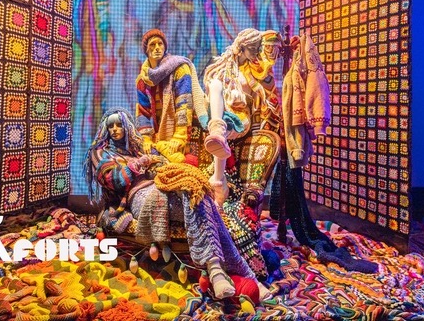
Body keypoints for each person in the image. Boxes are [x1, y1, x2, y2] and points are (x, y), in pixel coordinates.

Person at [84, 108, 261, 299]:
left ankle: (217, 270)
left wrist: (157, 163)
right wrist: (137, 164)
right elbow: (112, 180)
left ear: (127, 127)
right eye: (110, 126)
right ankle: (237, 273)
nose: (115, 129)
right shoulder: (100, 153)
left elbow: (160, 164)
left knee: (195, 190)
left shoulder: (136, 147)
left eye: (119, 125)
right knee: (194, 194)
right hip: (137, 197)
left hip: (158, 186)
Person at [202, 28, 281, 204]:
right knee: (215, 85)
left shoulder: (255, 71)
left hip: (239, 119)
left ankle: (218, 176)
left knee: (223, 129)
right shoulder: (223, 68)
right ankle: (219, 180)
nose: (255, 53)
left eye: (257, 49)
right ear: (241, 47)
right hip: (219, 115)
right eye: (252, 49)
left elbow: (267, 96)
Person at [135, 29, 207, 164]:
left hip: (188, 130)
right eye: (152, 45)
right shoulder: (143, 80)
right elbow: (143, 112)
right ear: (146, 50)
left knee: (188, 163)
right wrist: (146, 139)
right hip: (161, 133)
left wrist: (179, 136)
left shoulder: (179, 68)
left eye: (160, 44)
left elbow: (184, 104)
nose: (157, 48)